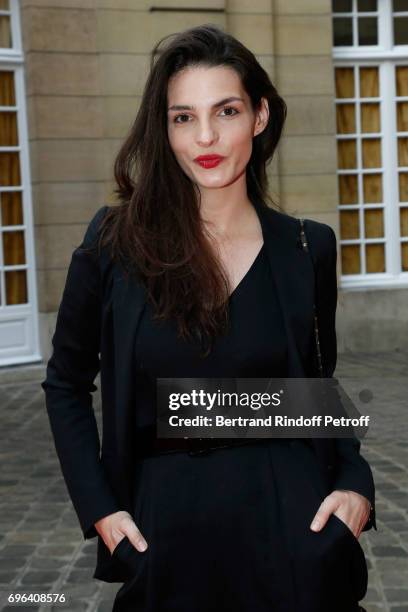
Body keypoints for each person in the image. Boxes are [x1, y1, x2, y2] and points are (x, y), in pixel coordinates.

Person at [41, 24, 376, 612]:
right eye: (182, 117)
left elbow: (314, 390)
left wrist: (353, 483)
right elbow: (66, 383)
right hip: (166, 526)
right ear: (164, 128)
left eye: (225, 111)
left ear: (260, 116)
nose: (205, 137)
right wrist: (101, 508)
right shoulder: (114, 243)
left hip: (293, 525)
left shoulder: (306, 247)